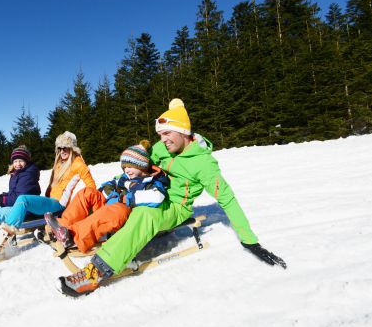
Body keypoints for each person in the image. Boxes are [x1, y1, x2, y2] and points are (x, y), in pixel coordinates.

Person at [58, 99, 287, 296]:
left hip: (175, 207)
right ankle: (68, 230)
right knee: (105, 198)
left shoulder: (204, 164)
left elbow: (227, 199)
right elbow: (143, 163)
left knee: (145, 214)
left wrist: (250, 241)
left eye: (167, 133)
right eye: (160, 135)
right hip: (149, 191)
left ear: (183, 131)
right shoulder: (163, 148)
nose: (163, 139)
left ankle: (96, 272)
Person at [0, 131, 96, 268]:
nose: (63, 151)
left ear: (73, 149)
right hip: (47, 201)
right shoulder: (59, 164)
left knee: (23, 199)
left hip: (58, 205)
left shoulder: (78, 164)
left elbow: (91, 188)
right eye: (60, 148)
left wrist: (88, 208)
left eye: (67, 148)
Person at [44, 140, 169, 254]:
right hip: (107, 205)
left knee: (116, 209)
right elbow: (111, 185)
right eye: (124, 167)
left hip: (123, 212)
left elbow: (157, 196)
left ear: (141, 165)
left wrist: (128, 199)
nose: (127, 170)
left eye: (130, 166)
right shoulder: (125, 177)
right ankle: (62, 227)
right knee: (86, 192)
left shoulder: (151, 181)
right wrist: (105, 190)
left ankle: (73, 236)